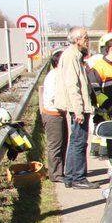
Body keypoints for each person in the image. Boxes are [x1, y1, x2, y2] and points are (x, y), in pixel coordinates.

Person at [54, 27, 100, 189]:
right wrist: (78, 110)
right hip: (78, 108)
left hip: (78, 107)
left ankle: (71, 177)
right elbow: (72, 85)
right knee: (79, 142)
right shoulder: (71, 56)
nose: (87, 40)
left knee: (76, 141)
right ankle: (78, 178)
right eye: (85, 37)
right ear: (77, 40)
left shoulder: (74, 55)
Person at [40, 49, 66, 183]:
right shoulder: (54, 76)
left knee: (62, 144)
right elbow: (53, 97)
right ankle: (55, 174)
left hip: (58, 114)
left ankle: (59, 172)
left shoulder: (59, 75)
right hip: (53, 115)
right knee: (55, 145)